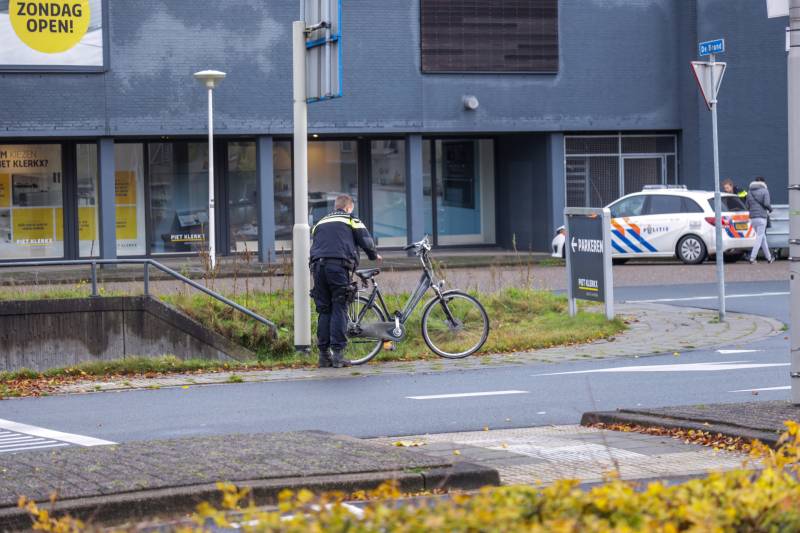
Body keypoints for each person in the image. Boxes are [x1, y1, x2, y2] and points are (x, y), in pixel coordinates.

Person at [309, 194, 381, 368]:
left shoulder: (320, 222)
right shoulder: (351, 219)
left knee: (324, 310)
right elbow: (365, 240)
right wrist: (373, 255)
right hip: (337, 267)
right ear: (348, 207)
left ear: (336, 207)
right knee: (340, 307)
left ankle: (323, 356)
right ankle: (338, 355)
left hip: (317, 267)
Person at [745, 176, 774, 264]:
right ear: (763, 183)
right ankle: (752, 258)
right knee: (759, 238)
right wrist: (770, 209)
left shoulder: (749, 192)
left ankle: (769, 258)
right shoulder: (765, 191)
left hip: (752, 218)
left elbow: (747, 206)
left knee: (762, 237)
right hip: (761, 217)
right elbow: (766, 203)